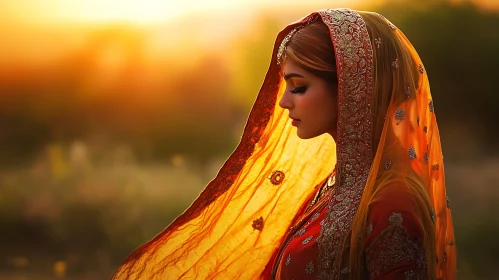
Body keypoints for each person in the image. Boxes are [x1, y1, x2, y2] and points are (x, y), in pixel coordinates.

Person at [112, 8, 456, 279]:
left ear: (354, 89)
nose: (283, 102)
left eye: (299, 86)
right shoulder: (338, 186)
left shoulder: (393, 205)